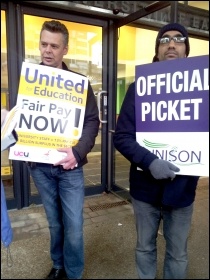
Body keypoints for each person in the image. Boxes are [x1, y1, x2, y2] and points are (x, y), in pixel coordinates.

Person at [113, 23, 200, 279]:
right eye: (165, 40)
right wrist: (150, 161)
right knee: (144, 248)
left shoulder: (201, 91)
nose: (171, 44)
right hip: (144, 191)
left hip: (182, 191)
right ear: (158, 50)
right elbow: (123, 137)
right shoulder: (137, 88)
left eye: (178, 39)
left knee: (178, 253)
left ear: (185, 51)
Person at [26, 20, 100, 279]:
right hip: (41, 169)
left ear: (65, 49)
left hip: (70, 168)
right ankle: (58, 266)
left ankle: (74, 273)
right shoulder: (30, 81)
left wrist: (78, 152)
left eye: (54, 46)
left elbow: (93, 121)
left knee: (75, 227)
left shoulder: (79, 84)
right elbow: (23, 120)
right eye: (43, 44)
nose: (47, 50)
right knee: (55, 224)